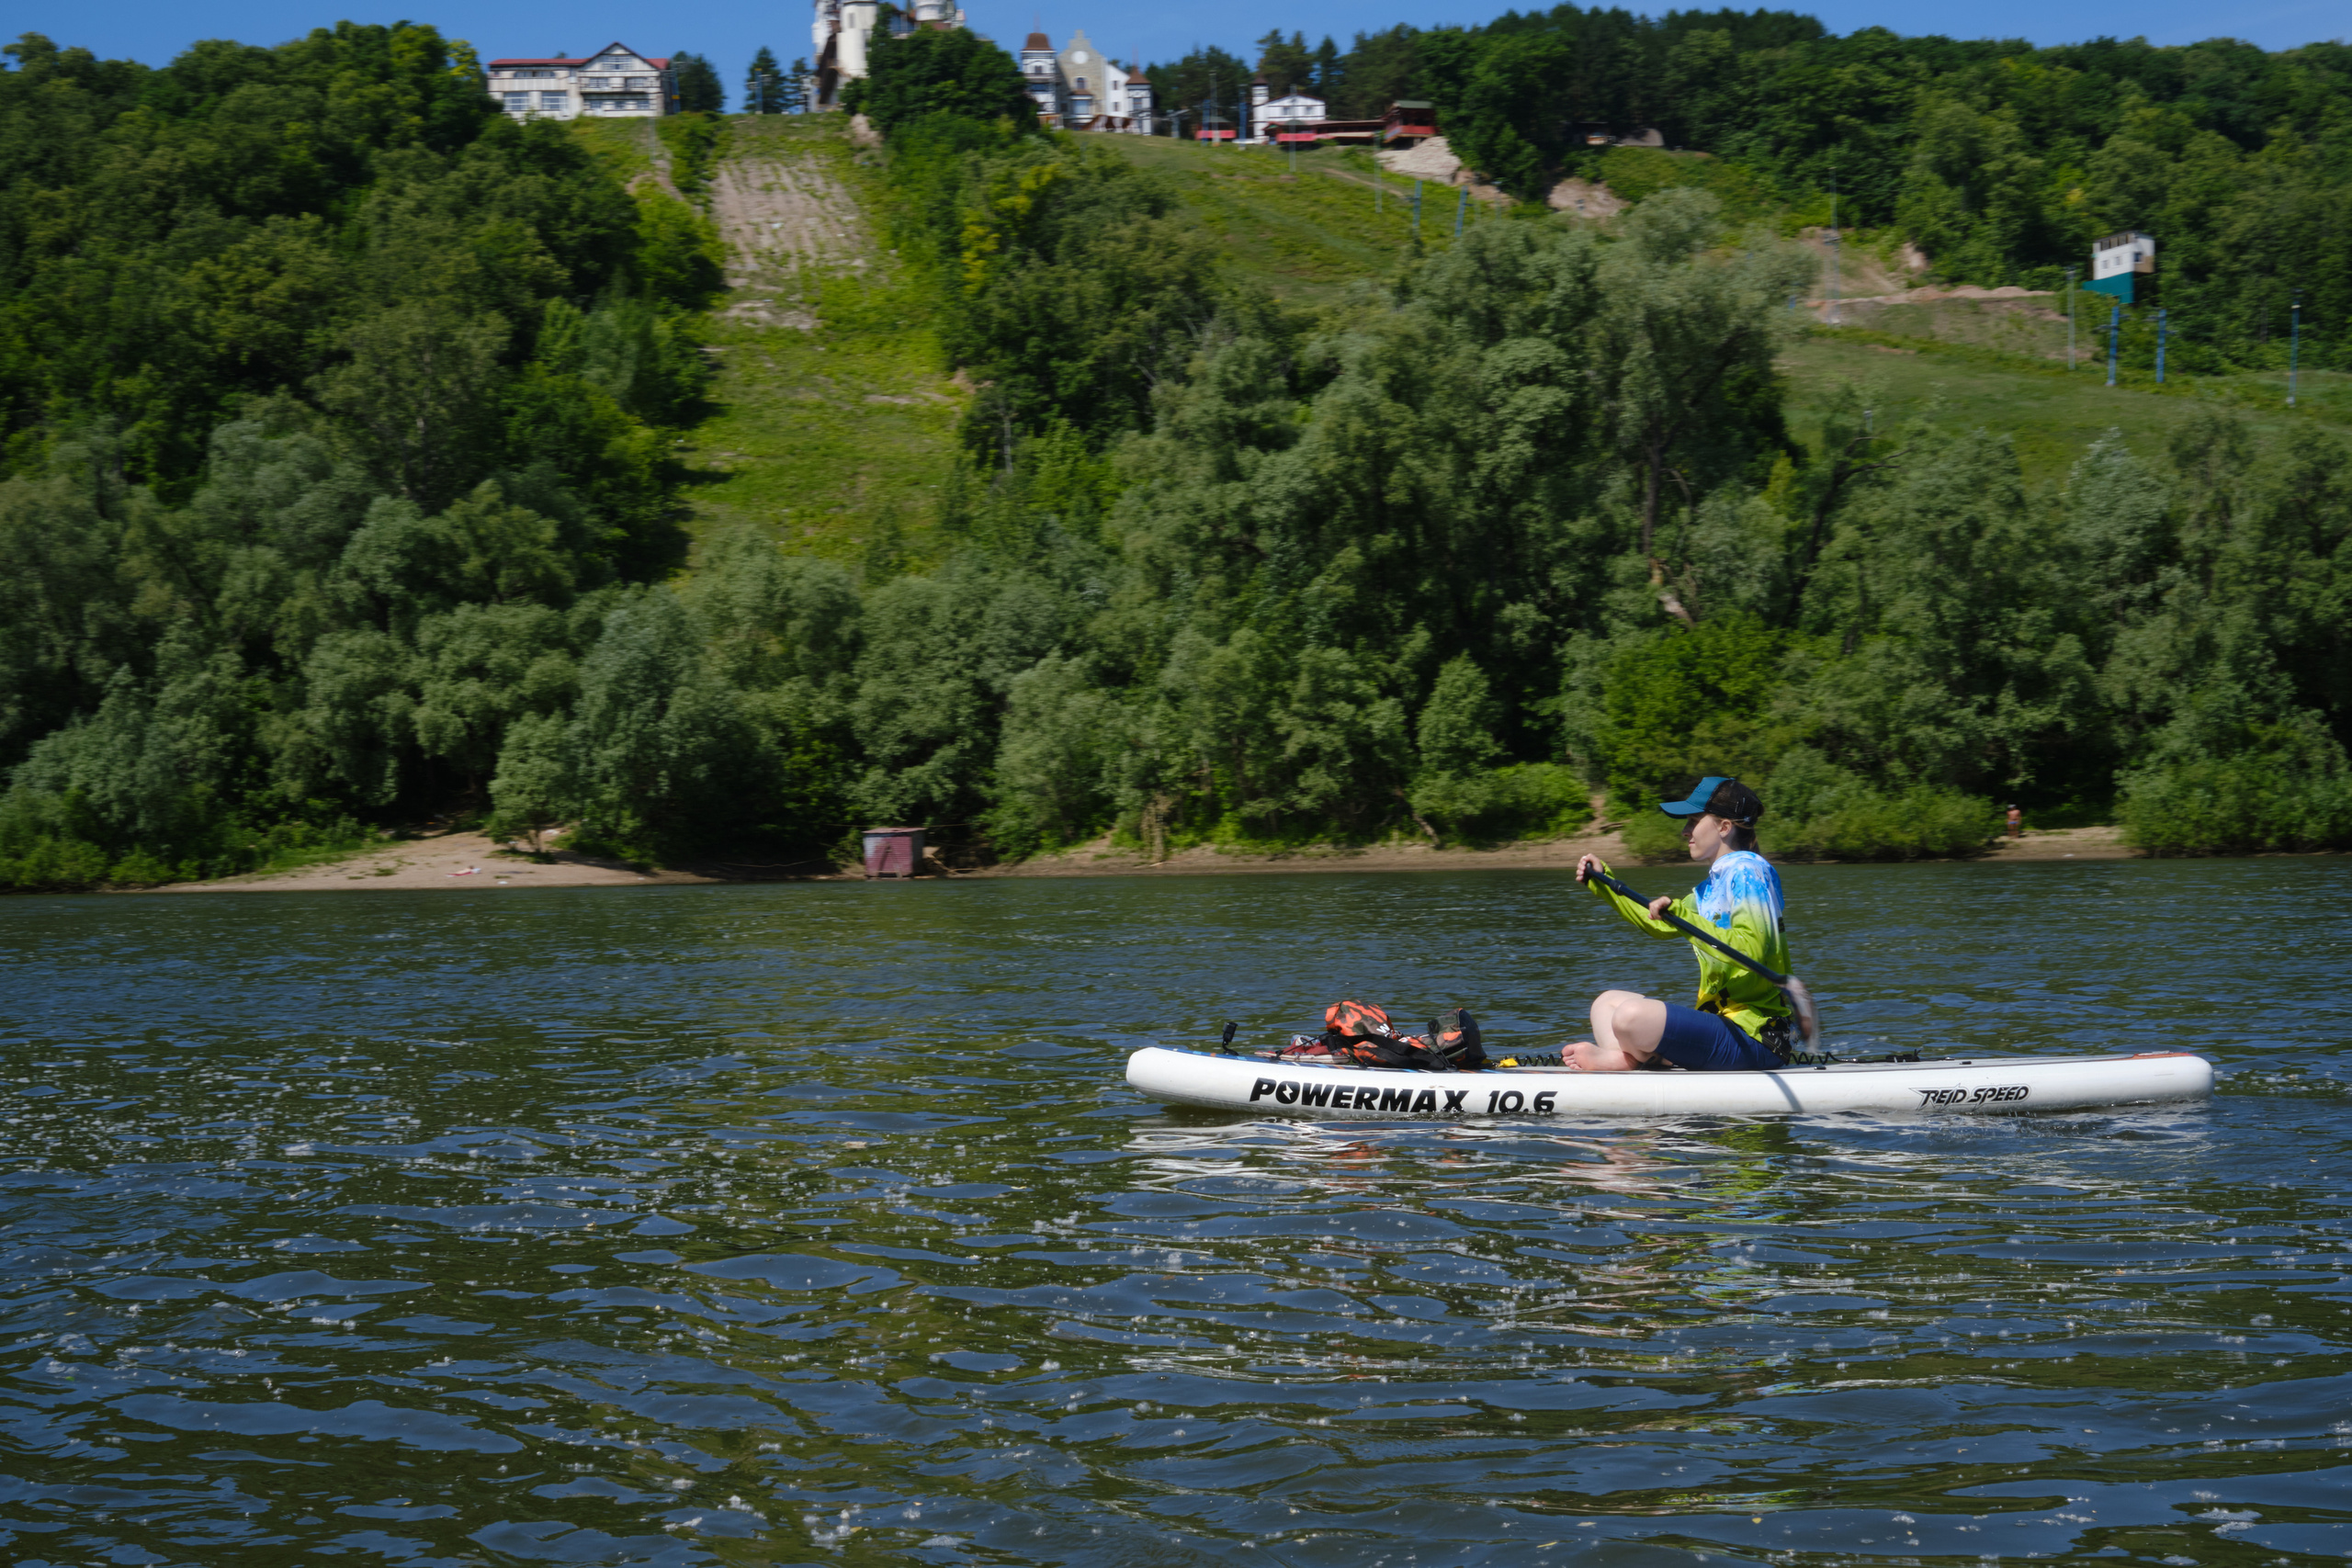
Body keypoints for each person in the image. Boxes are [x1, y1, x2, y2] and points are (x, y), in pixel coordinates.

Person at [1567, 776, 1791, 1071]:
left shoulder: (1748, 871)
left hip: (1757, 1037)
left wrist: (1684, 917)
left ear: (1724, 827)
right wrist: (1606, 883)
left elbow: (1752, 951)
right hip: (1722, 1026)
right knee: (1605, 1003)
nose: (1685, 832)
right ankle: (1629, 1061)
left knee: (1629, 1016)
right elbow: (1658, 924)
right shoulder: (1711, 887)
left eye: (1694, 821)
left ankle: (1632, 1062)